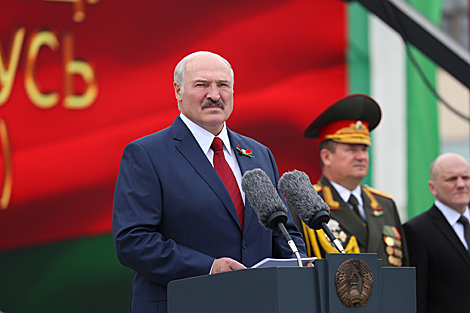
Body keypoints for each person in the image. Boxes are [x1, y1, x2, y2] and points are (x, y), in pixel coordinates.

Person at [112, 51, 306, 313]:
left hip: (258, 304)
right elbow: (133, 241)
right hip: (182, 303)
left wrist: (300, 262)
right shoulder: (147, 154)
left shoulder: (259, 153)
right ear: (178, 91)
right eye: (202, 85)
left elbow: (283, 230)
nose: (214, 95)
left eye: (223, 85)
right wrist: (209, 268)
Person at [292, 94, 408, 267]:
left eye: (364, 149)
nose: (361, 156)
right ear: (326, 157)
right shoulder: (305, 205)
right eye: (351, 149)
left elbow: (403, 268)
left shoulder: (385, 204)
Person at [403, 153, 470, 313]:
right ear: (432, 187)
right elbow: (417, 297)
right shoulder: (417, 231)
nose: (461, 184)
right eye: (451, 179)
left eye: (466, 177)